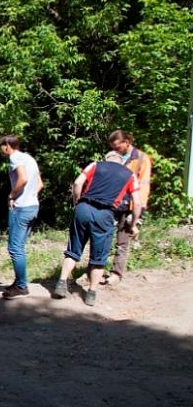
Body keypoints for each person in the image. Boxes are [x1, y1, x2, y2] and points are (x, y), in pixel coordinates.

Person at [52, 151, 141, 306]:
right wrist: (133, 224)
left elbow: (78, 183)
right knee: (99, 257)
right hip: (105, 214)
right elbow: (137, 203)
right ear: (121, 161)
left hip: (84, 207)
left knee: (73, 249)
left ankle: (61, 283)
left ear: (106, 159)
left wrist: (77, 203)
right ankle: (91, 294)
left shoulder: (95, 165)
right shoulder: (129, 175)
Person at [0, 135, 43, 300]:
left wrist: (12, 195)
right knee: (20, 247)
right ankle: (19, 282)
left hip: (21, 208)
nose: (1, 149)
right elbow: (39, 184)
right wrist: (31, 196)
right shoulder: (29, 158)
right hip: (33, 206)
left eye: (1, 146)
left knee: (14, 248)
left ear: (7, 145)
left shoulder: (15, 157)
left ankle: (22, 286)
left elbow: (22, 179)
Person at [106, 130, 152, 285]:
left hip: (130, 205)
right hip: (112, 203)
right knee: (103, 237)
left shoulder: (141, 159)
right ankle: (95, 269)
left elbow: (144, 185)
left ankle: (116, 274)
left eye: (118, 146)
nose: (115, 150)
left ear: (127, 142)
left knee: (122, 241)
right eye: (113, 147)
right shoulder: (114, 157)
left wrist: (138, 213)